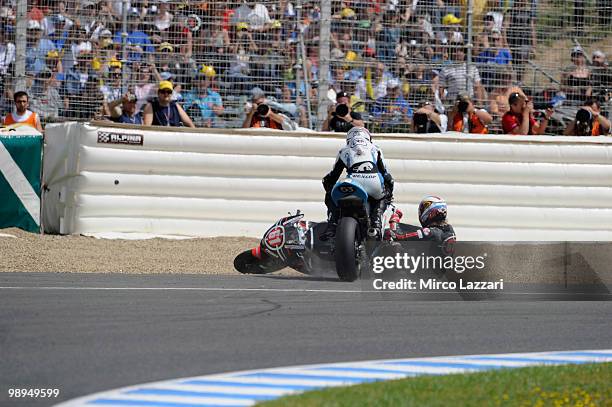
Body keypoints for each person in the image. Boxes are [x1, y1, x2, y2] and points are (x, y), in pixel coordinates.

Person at [321, 127, 394, 240]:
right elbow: (387, 175)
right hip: (374, 184)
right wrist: (389, 193)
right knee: (382, 197)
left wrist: (328, 188)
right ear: (368, 138)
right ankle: (376, 223)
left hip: (353, 183)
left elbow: (332, 176)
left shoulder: (344, 150)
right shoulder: (376, 149)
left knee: (330, 194)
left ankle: (332, 226)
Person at [387, 195, 456, 256]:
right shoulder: (449, 230)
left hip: (426, 269)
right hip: (440, 267)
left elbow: (398, 236)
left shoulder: (431, 233)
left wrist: (395, 218)